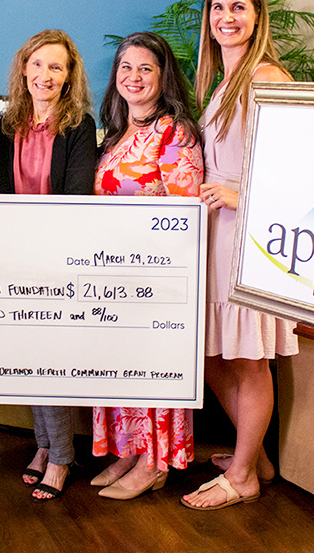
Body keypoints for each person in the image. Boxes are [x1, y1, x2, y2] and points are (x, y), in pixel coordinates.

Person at [180, 0, 297, 511]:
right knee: (214, 355)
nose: (226, 17)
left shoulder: (267, 76)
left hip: (246, 235)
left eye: (238, 8)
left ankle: (245, 474)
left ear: (257, 17)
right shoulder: (223, 80)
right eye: (218, 8)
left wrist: (236, 196)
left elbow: (298, 171)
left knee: (248, 361)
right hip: (217, 237)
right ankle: (256, 457)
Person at [91, 32, 203, 500]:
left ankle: (155, 462)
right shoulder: (118, 133)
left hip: (157, 275)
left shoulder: (175, 132)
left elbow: (185, 208)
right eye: (126, 68)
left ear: (163, 77)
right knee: (122, 369)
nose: (133, 77)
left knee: (152, 370)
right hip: (114, 272)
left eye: (145, 69)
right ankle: (130, 450)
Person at [0, 29, 97, 502]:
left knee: (48, 362)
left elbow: (76, 198)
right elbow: (0, 196)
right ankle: (42, 447)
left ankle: (61, 458)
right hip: (15, 256)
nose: (45, 74)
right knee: (28, 359)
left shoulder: (80, 125)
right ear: (24, 69)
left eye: (56, 67)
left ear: (69, 75)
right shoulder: (10, 122)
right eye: (38, 64)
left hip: (56, 258)